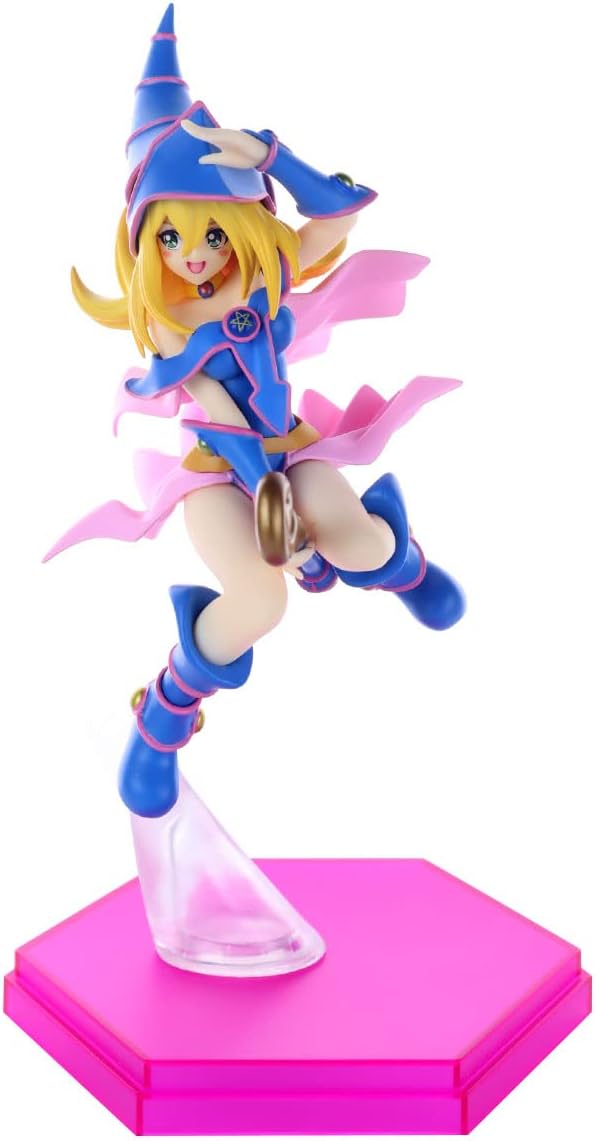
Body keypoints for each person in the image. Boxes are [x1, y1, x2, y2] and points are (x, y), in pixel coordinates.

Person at [45, 4, 465, 818]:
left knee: (356, 542)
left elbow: (343, 208)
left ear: (241, 221)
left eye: (209, 233)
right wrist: (276, 517)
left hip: (290, 446)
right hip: (214, 470)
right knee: (259, 600)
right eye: (169, 239)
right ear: (145, 244)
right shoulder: (172, 321)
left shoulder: (268, 271)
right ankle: (163, 714)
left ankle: (399, 559)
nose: (192, 257)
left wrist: (272, 155)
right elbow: (215, 412)